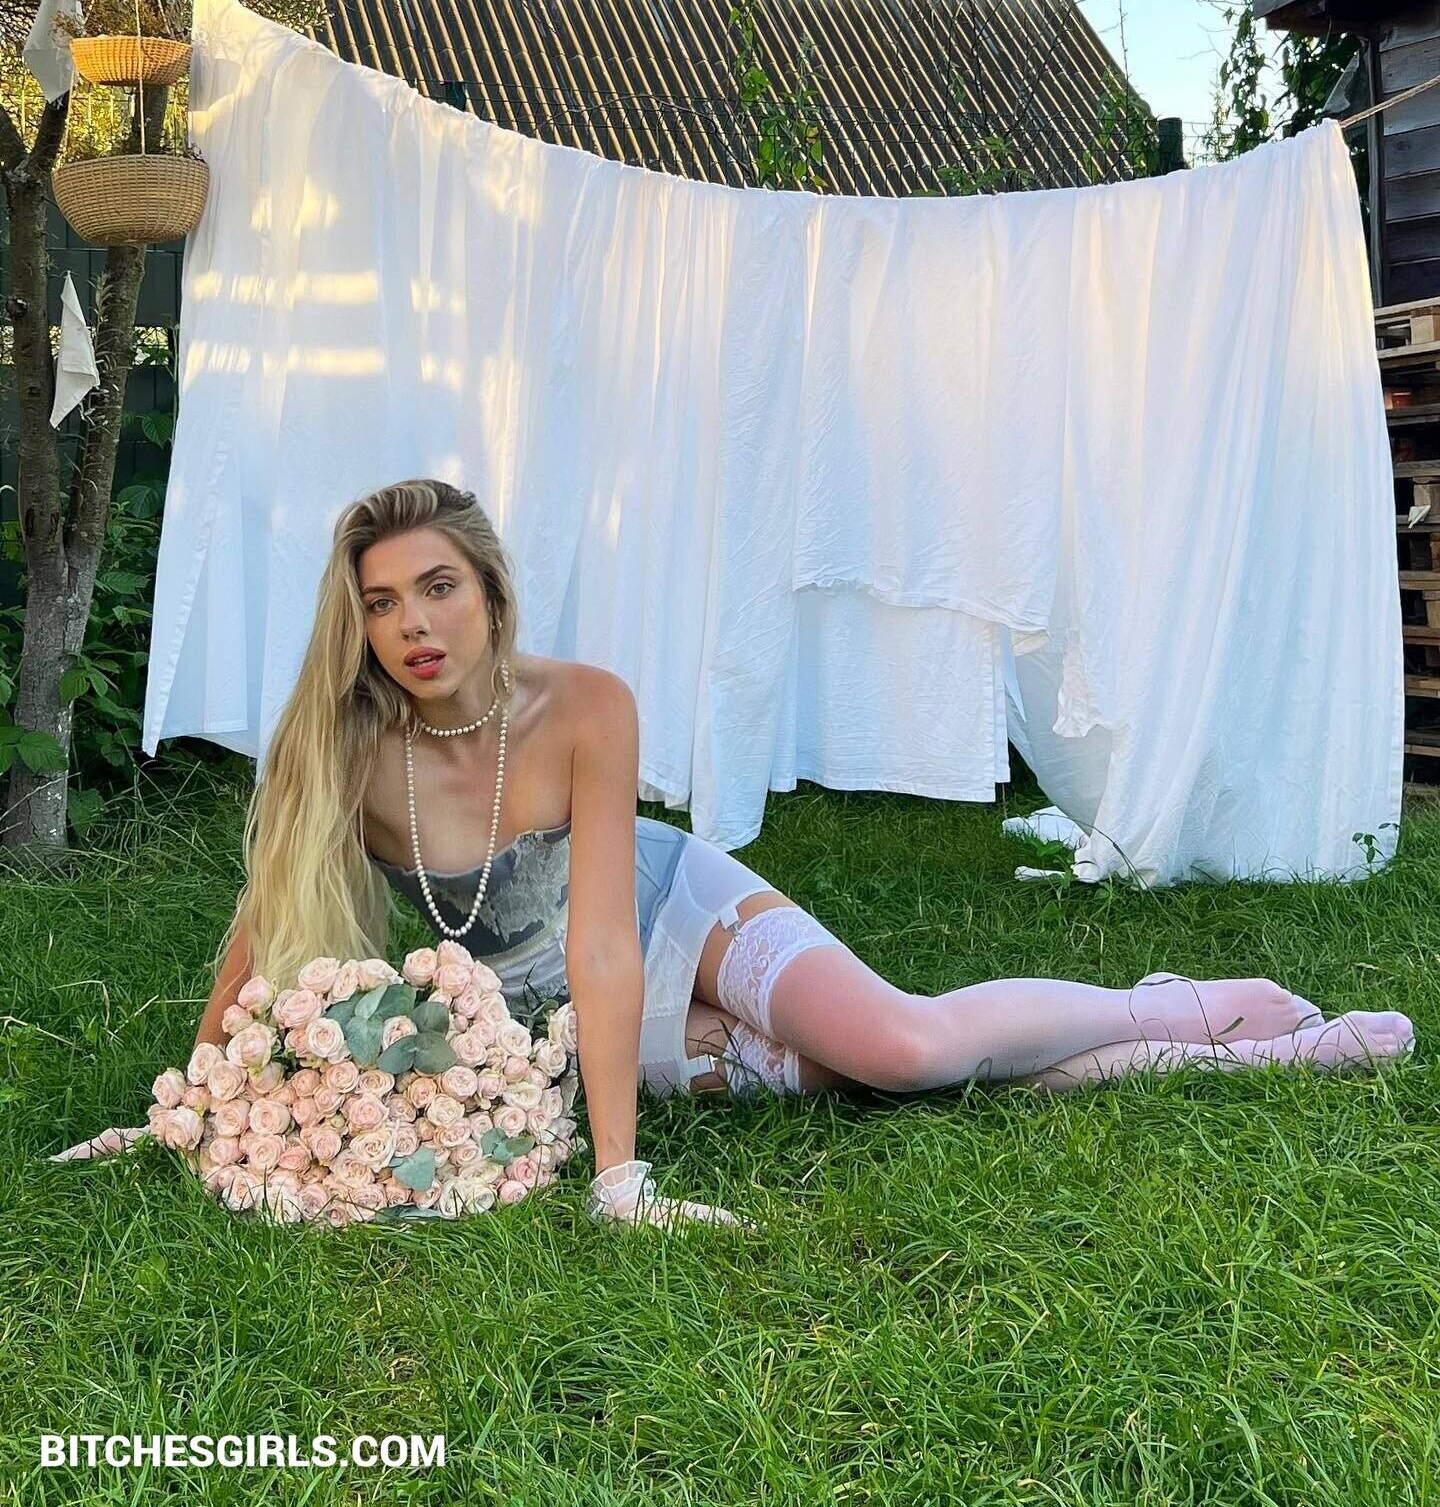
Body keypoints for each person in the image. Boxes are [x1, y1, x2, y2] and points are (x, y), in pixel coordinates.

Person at [54, 479, 1416, 1229]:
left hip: (660, 915)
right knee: (862, 1090)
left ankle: (1162, 1006)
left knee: (899, 1047)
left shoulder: (583, 705)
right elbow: (266, 928)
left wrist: (618, 1176)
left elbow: (602, 934)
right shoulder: (343, 748)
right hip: (536, 1012)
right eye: (381, 602)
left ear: (493, 592)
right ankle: (1263, 1056)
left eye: (439, 586)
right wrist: (194, 1099)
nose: (413, 624)